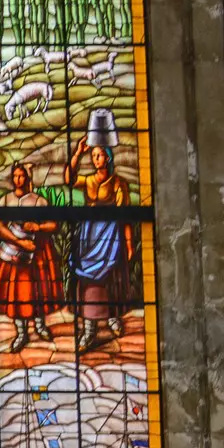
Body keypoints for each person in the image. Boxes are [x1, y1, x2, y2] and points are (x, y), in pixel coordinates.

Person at [66, 137, 136, 351]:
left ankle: (113, 317)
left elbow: (125, 217)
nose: (96, 159)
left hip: (109, 236)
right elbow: (69, 179)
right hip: (89, 235)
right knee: (88, 281)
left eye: (100, 155)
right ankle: (89, 329)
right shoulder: (88, 180)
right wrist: (77, 153)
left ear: (108, 157)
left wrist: (129, 243)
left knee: (109, 279)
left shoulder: (118, 183)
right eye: (93, 155)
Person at [0, 163, 60, 352]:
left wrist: (38, 227)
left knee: (38, 291)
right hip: (13, 252)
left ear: (27, 177)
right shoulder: (5, 200)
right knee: (17, 295)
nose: (18, 179)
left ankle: (40, 325)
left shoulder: (39, 201)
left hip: (37, 252)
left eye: (22, 175)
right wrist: (19, 242)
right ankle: (21, 332)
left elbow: (54, 225)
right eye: (15, 176)